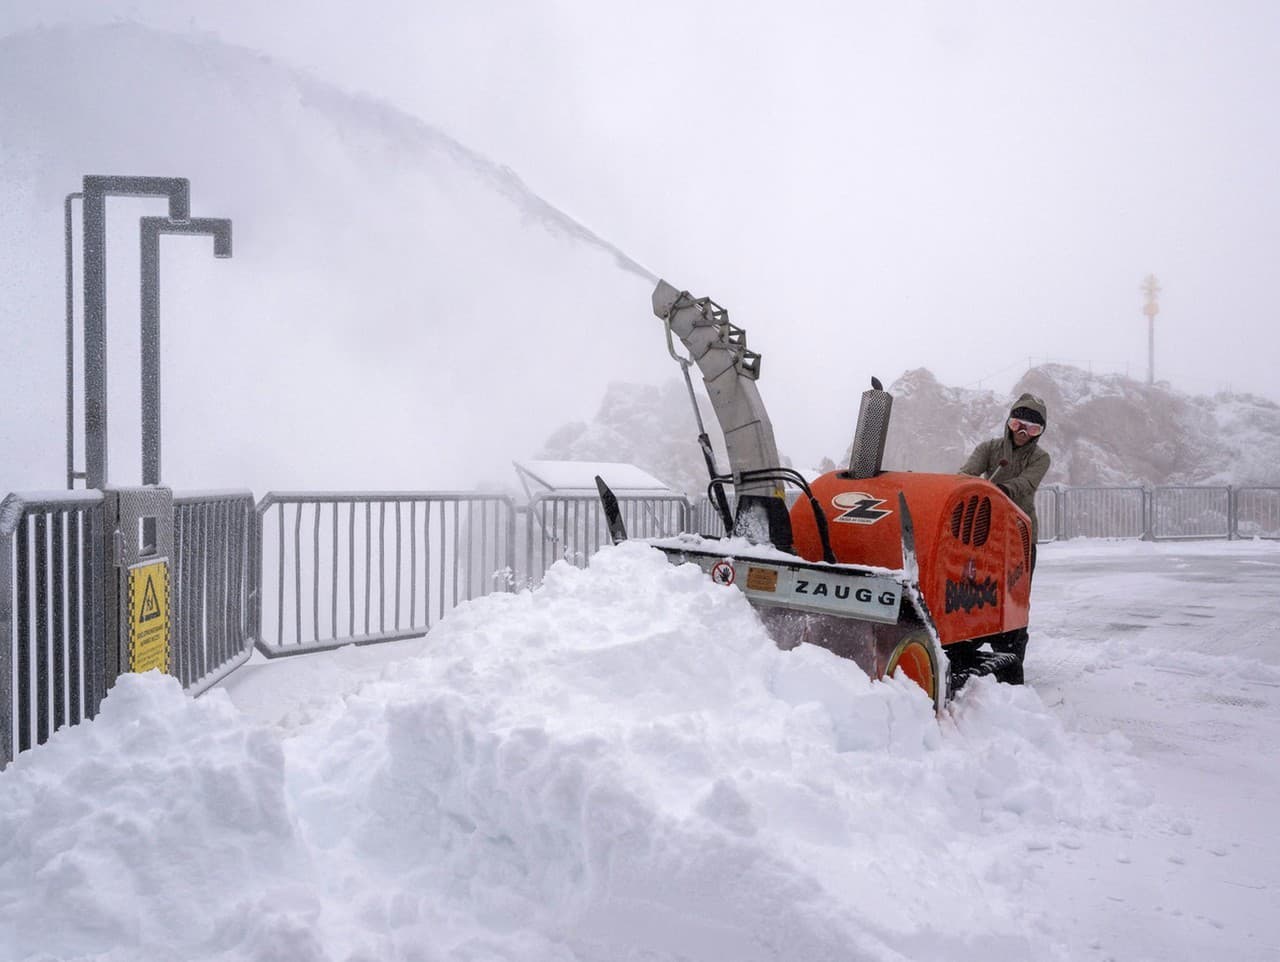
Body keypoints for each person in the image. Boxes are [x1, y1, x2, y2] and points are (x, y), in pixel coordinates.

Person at [958, 392, 1050, 684]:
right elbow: (966, 474)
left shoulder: (1041, 458)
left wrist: (1001, 491)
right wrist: (965, 486)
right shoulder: (989, 448)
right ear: (1008, 423)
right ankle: (965, 643)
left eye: (1032, 429)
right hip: (984, 534)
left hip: (1018, 536)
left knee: (1014, 594)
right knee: (976, 588)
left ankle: (1011, 659)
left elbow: (1026, 484)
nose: (1022, 433)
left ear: (1039, 433)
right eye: (1017, 424)